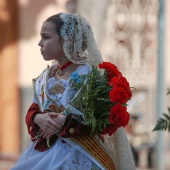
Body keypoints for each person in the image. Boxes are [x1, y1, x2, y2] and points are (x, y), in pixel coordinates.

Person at [12, 13, 135, 170]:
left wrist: (66, 122)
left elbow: (99, 122)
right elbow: (34, 108)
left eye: (46, 37)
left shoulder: (89, 75)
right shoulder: (47, 76)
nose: (39, 43)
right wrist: (38, 118)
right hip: (45, 152)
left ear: (67, 40)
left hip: (80, 153)